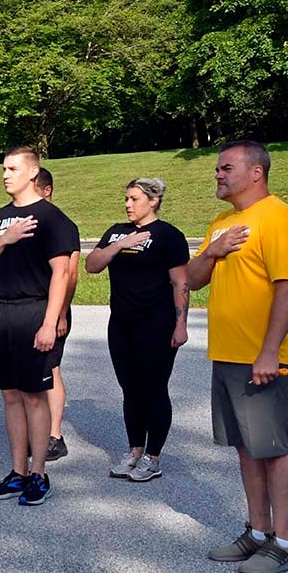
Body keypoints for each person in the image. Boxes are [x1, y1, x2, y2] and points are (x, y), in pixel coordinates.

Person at [187, 141, 288, 573]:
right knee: (246, 449)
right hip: (228, 355)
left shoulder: (278, 217)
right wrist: (213, 251)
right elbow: (194, 279)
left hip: (265, 358)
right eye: (217, 168)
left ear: (256, 172)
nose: (218, 174)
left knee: (273, 449)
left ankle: (284, 542)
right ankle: (257, 532)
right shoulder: (222, 223)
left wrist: (270, 351)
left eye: (227, 168)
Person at [0, 146, 78, 506]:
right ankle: (17, 473)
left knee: (34, 396)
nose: (5, 174)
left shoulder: (52, 218)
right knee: (10, 395)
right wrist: (4, 239)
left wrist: (51, 322)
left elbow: (61, 274)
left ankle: (38, 474)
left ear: (33, 173)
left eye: (13, 168)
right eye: (3, 168)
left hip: (33, 311)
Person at [86, 178, 190, 482]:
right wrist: (119, 245)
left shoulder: (168, 235)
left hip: (156, 324)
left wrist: (180, 325)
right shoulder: (117, 231)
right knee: (130, 389)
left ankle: (152, 456)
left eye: (134, 199)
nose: (128, 204)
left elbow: (180, 282)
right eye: (126, 199)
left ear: (153, 200)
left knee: (154, 388)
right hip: (121, 323)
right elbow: (92, 265)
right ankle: (134, 450)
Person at [34, 167, 80, 462]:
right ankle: (36, 431)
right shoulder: (28, 222)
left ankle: (54, 435)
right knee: (31, 372)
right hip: (28, 308)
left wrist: (61, 313)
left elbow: (71, 274)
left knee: (51, 370)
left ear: (46, 189)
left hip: (54, 308)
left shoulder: (62, 224)